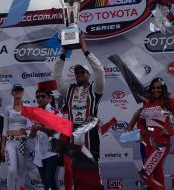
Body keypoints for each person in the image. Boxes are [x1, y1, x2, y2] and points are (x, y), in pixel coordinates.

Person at [54, 36, 105, 190]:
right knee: (77, 174)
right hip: (73, 136)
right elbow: (56, 75)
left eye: (83, 72)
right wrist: (63, 52)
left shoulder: (95, 89)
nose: (80, 74)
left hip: (90, 135)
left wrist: (85, 49)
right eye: (77, 72)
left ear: (88, 74)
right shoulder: (68, 90)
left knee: (91, 173)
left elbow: (100, 71)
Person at [137, 78, 174, 190]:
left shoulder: (169, 102)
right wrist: (141, 130)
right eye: (153, 88)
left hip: (161, 144)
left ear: (163, 89)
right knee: (157, 173)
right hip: (148, 143)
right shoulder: (147, 102)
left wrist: (170, 132)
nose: (156, 90)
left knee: (145, 174)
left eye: (159, 88)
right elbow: (140, 121)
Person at [30, 89, 61, 190]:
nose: (40, 99)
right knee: (45, 182)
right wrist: (33, 131)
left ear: (50, 98)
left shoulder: (56, 113)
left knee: (50, 178)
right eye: (38, 97)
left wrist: (39, 127)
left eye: (42, 96)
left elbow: (53, 131)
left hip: (52, 151)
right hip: (39, 152)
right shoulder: (34, 113)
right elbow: (31, 135)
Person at [1, 84, 29, 190]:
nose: (18, 92)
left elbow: (30, 126)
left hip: (23, 142)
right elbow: (4, 128)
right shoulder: (8, 109)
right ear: (12, 93)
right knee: (12, 170)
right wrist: (2, 146)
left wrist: (26, 131)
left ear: (23, 92)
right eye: (16, 91)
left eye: (20, 90)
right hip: (10, 142)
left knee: (21, 171)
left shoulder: (27, 108)